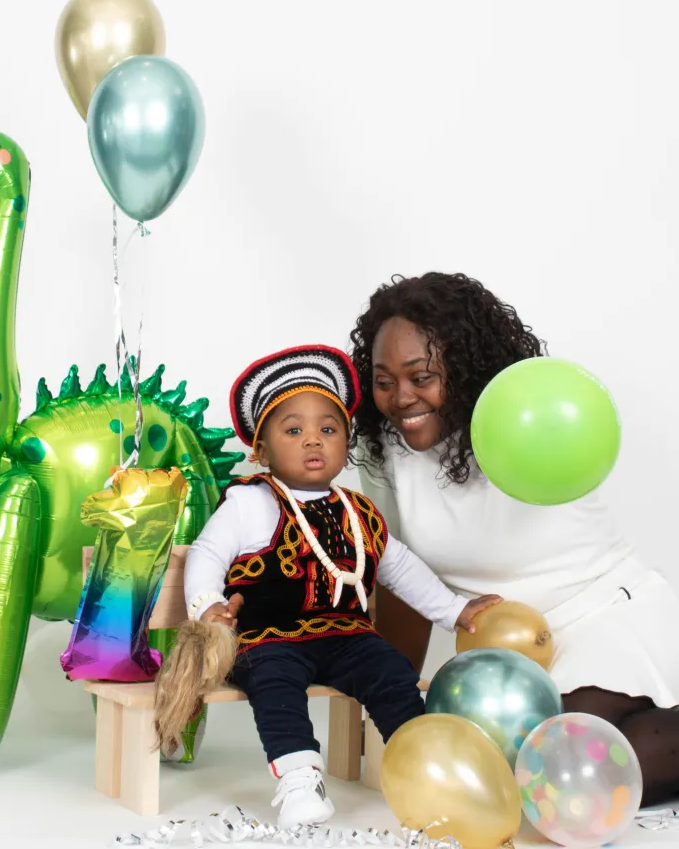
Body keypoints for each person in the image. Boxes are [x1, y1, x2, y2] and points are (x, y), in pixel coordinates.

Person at [350, 271, 679, 807]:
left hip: (604, 616)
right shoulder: (383, 448)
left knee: (569, 772)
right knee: (523, 770)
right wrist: (392, 700)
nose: (401, 398)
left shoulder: (528, 421)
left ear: (464, 367)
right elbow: (401, 572)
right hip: (509, 658)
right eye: (384, 381)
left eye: (421, 376)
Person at [182, 345, 500, 828]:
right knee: (274, 683)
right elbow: (207, 554)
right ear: (261, 451)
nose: (313, 440)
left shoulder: (359, 512)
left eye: (328, 430)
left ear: (346, 442)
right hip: (270, 637)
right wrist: (208, 604)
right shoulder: (250, 503)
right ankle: (299, 779)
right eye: (294, 431)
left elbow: (402, 568)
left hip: (347, 634)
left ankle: (422, 765)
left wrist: (453, 610)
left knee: (391, 671)